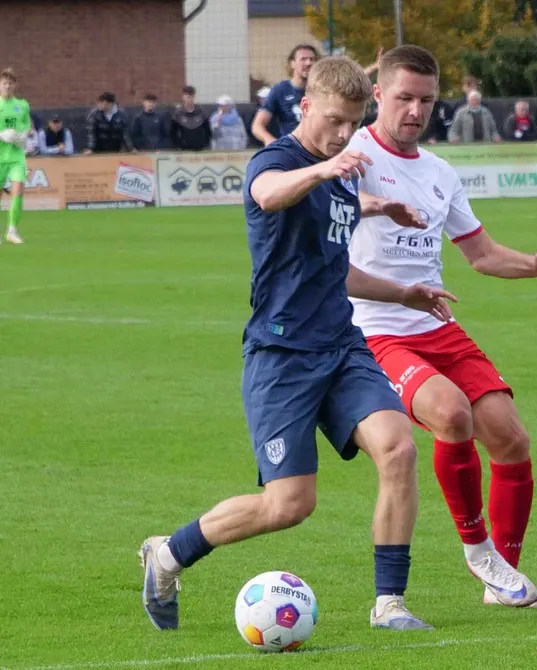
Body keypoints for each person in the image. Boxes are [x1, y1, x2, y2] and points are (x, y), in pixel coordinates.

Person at [140, 56, 459, 633]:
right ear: (306, 106)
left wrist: (402, 290)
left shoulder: (345, 171)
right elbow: (269, 195)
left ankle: (389, 603)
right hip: (281, 355)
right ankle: (168, 553)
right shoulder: (278, 160)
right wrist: (327, 169)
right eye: (335, 120)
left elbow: (335, 266)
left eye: (354, 124)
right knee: (289, 505)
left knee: (399, 448)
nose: (345, 134)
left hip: (341, 344)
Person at [347, 45, 537, 608]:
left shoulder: (439, 172)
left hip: (438, 325)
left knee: (511, 438)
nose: (415, 111)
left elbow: (481, 254)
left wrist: (535, 266)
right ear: (378, 93)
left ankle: (503, 579)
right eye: (403, 98)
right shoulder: (348, 156)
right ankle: (479, 553)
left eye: (426, 100)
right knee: (451, 414)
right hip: (376, 330)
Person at [252, 45, 319, 145]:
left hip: (318, 150)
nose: (309, 63)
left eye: (312, 59)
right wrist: (269, 140)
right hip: (291, 150)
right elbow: (257, 126)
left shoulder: (322, 90)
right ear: (292, 64)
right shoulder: (280, 90)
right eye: (303, 59)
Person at [0, 68, 29, 244]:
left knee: (18, 191)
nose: (7, 86)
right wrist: (1, 135)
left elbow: (26, 126)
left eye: (10, 83)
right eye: (4, 83)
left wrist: (22, 137)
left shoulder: (23, 105)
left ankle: (12, 230)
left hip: (17, 157)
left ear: (15, 86)